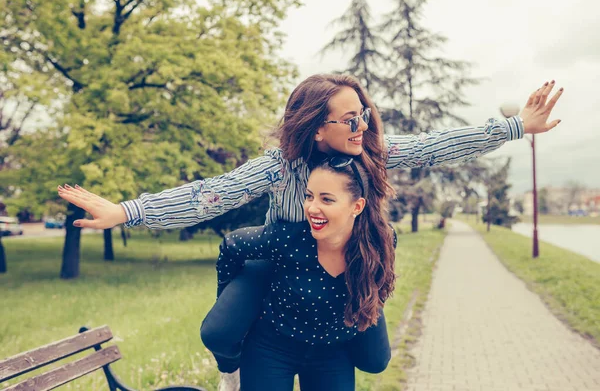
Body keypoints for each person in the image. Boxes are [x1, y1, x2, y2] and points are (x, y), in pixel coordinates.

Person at [57, 74, 563, 390]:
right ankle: (230, 367)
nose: (361, 123)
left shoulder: (371, 154)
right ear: (317, 127)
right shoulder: (281, 165)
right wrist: (129, 211)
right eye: (348, 117)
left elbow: (435, 146)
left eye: (363, 112)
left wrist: (515, 126)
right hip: (280, 260)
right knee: (221, 327)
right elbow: (214, 193)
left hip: (341, 271)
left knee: (376, 360)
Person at [215, 157, 396, 390]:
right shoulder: (288, 238)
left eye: (326, 199)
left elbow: (379, 285)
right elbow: (231, 244)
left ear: (357, 207)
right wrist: (228, 298)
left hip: (332, 351)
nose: (312, 207)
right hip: (272, 346)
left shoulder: (380, 241)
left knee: (376, 362)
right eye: (309, 196)